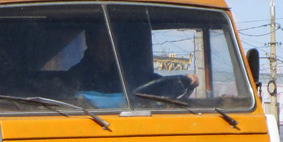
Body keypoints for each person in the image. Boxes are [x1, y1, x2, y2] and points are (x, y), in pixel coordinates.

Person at [70, 21, 198, 101]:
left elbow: (156, 85)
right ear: (90, 43)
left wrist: (185, 82)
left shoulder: (129, 72)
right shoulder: (76, 77)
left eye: (115, 42)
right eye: (106, 42)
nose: (112, 48)